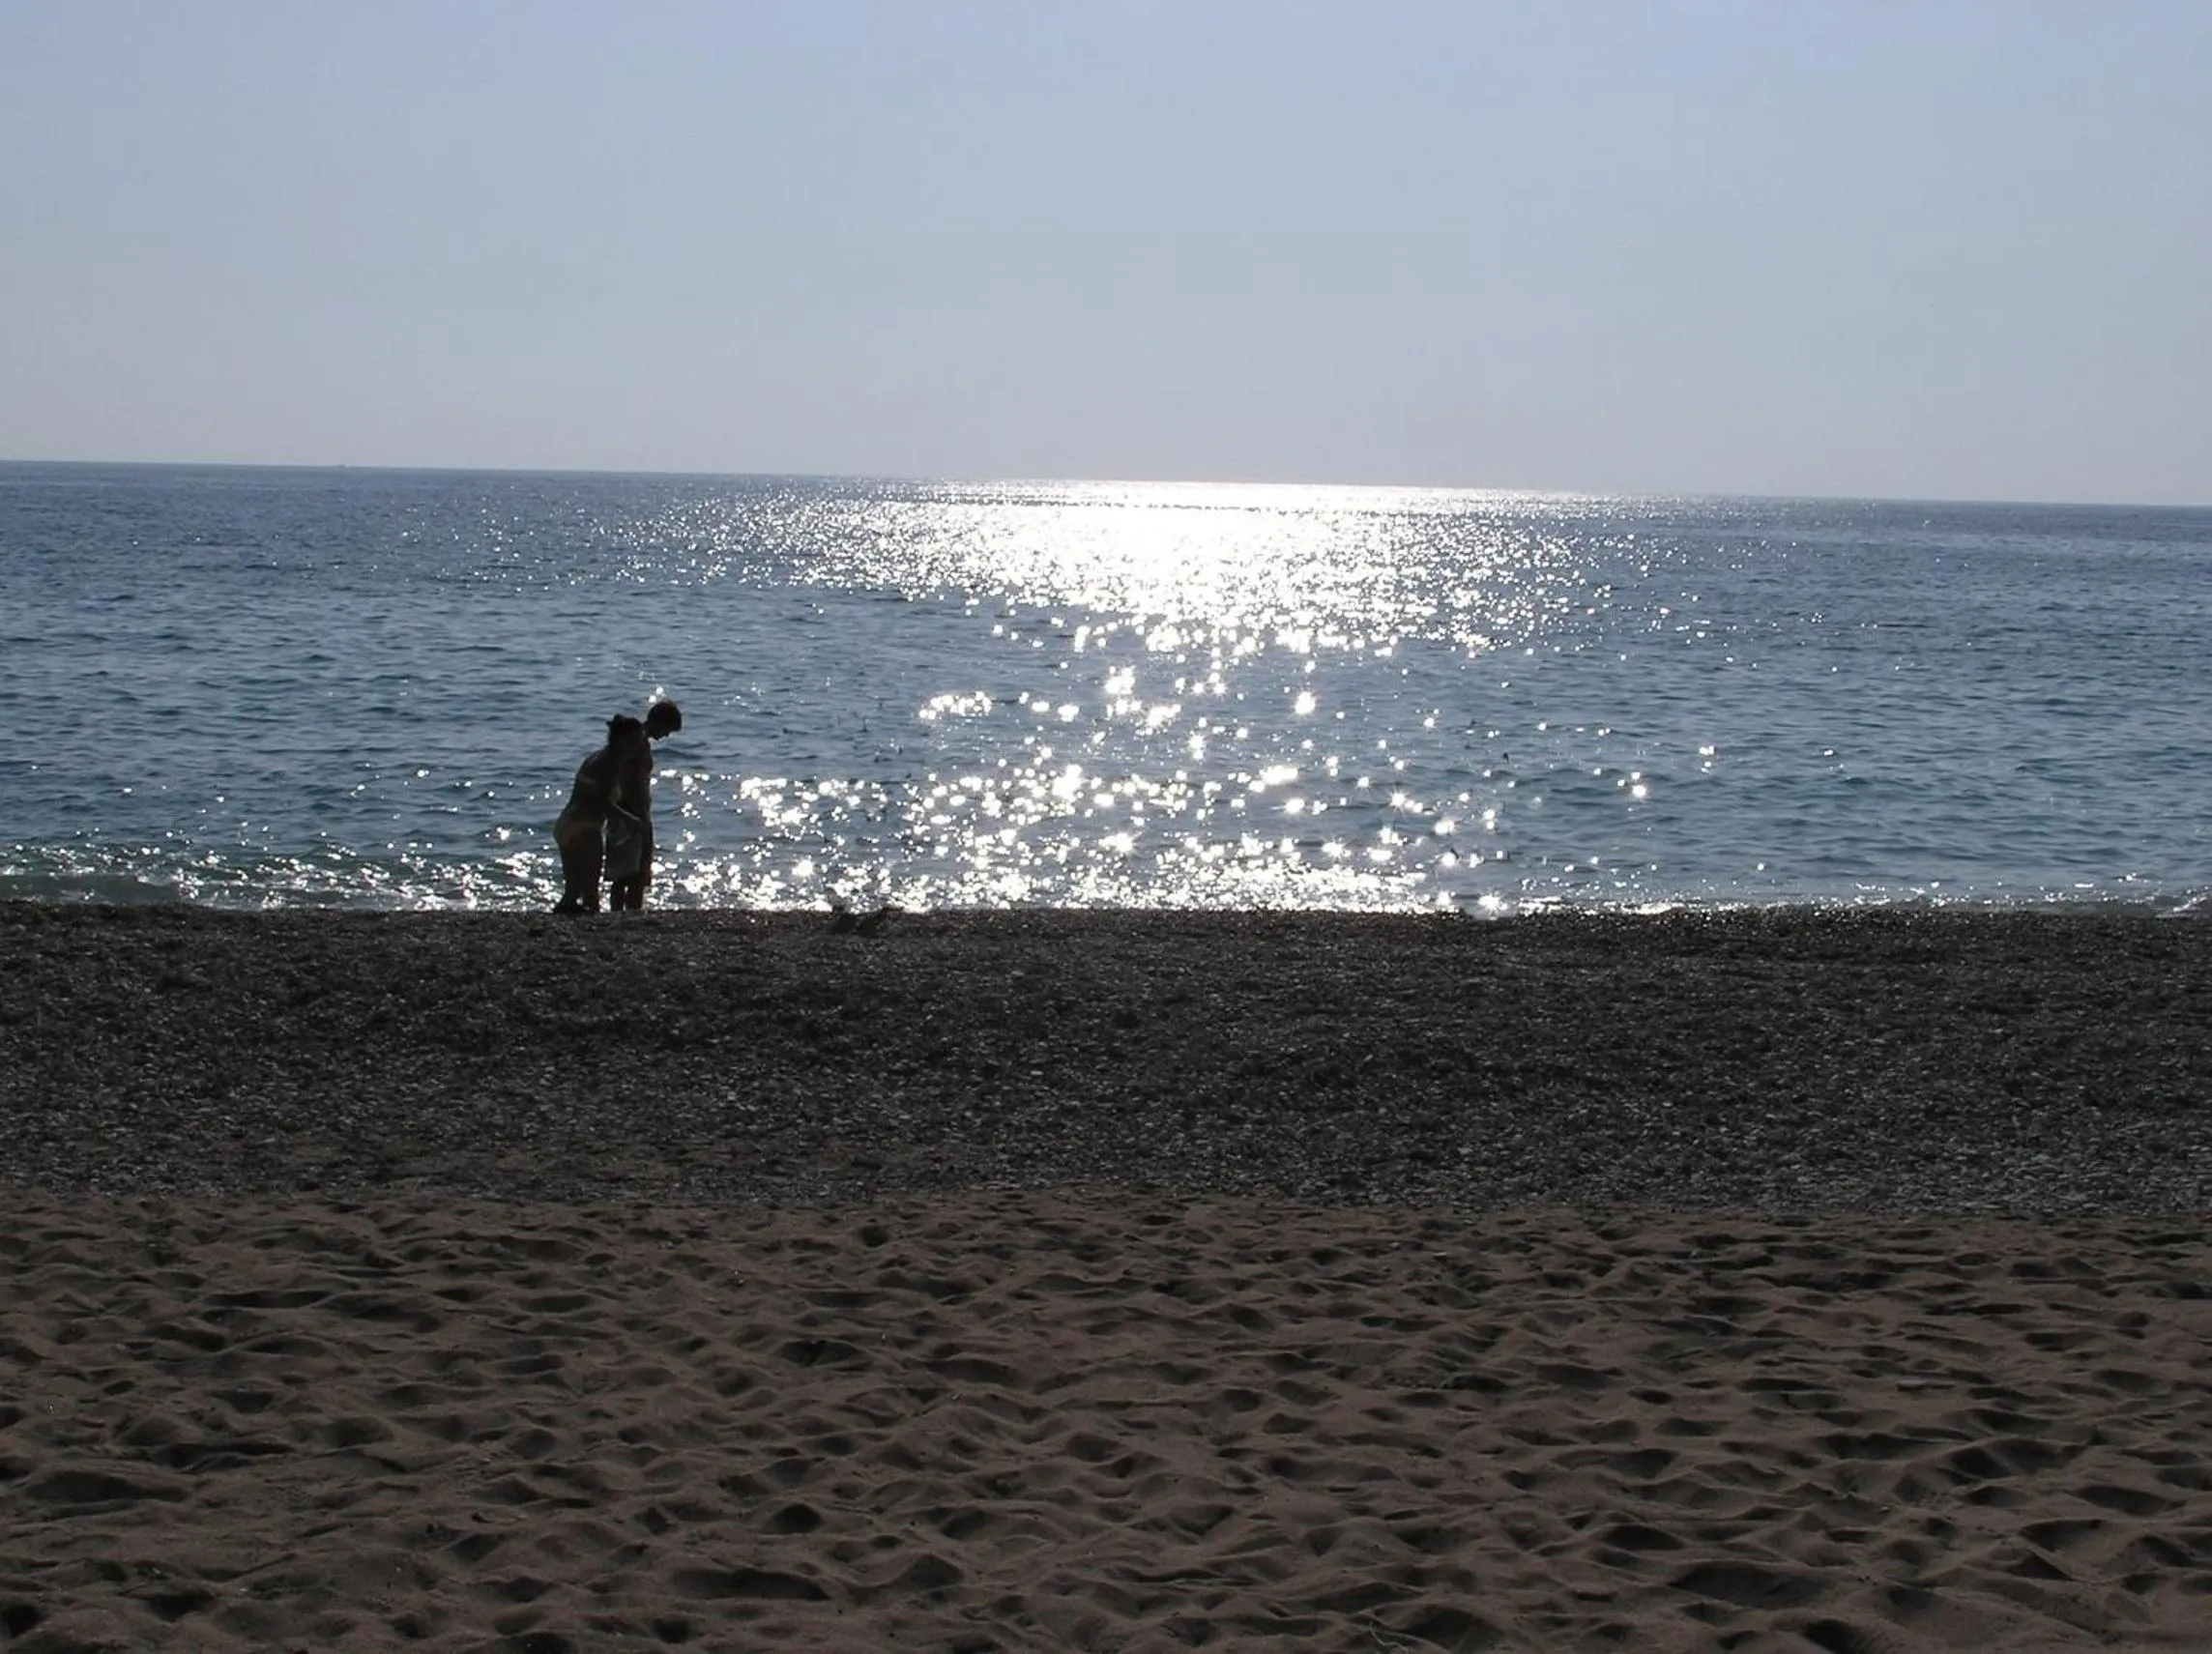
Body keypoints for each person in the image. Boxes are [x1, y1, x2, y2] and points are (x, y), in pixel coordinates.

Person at [551, 715, 649, 914]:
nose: (639, 744)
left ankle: (571, 920)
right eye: (636, 739)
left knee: (573, 889)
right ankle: (591, 930)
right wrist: (631, 821)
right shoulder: (610, 763)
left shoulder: (597, 757)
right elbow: (602, 801)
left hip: (567, 824)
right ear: (623, 739)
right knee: (589, 886)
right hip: (584, 827)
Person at [608, 698, 683, 912]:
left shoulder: (635, 741)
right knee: (633, 873)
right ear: (659, 722)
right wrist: (641, 815)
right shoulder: (638, 744)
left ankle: (621, 912)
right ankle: (630, 912)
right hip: (632, 808)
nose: (666, 735)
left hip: (625, 807)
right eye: (667, 729)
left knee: (625, 871)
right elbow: (631, 781)